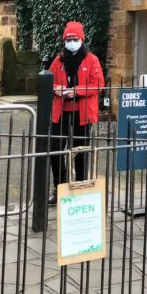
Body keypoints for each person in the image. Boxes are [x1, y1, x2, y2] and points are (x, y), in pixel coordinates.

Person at [48, 21, 105, 204]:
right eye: (68, 39)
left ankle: (80, 188)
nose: (72, 42)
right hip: (62, 110)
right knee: (55, 151)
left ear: (82, 39)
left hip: (82, 112)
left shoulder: (91, 59)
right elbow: (48, 81)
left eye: (75, 38)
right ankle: (60, 188)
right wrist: (57, 88)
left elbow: (98, 84)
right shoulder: (58, 60)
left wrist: (77, 91)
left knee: (81, 151)